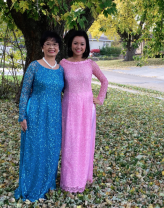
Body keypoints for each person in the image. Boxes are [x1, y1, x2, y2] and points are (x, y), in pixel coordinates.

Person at [15, 31, 64, 202]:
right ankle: (31, 184)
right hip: (35, 113)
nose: (52, 47)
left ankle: (48, 184)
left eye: (55, 44)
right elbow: (25, 92)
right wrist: (22, 116)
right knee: (35, 149)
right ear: (42, 47)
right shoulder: (34, 66)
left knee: (51, 150)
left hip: (55, 117)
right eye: (48, 44)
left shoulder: (61, 69)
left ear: (59, 48)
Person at [60, 30, 108, 193]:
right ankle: (69, 179)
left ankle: (82, 177)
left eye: (82, 43)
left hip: (87, 107)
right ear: (70, 45)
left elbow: (104, 80)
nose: (78, 46)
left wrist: (99, 99)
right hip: (69, 105)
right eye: (75, 43)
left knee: (84, 142)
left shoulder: (90, 64)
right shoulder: (64, 63)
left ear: (86, 45)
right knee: (70, 142)